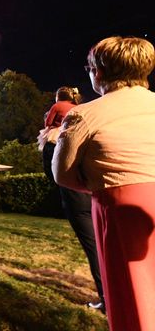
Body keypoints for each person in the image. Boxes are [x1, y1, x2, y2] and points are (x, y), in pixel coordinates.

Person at [53, 36, 155, 331]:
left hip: (121, 209)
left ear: (98, 71)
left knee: (134, 295)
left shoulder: (83, 114)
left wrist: (100, 183)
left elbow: (63, 173)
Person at [40, 86, 105, 312]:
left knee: (94, 249)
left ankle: (108, 299)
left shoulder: (57, 137)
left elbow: (55, 174)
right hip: (99, 195)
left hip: (78, 200)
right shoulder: (88, 118)